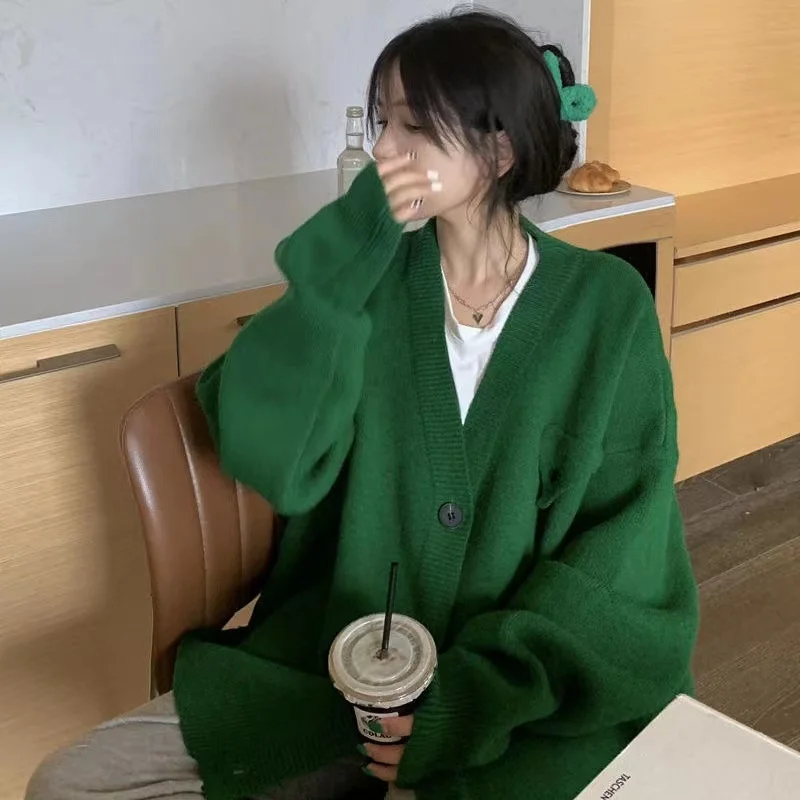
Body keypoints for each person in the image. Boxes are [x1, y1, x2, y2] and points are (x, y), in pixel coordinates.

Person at [27, 10, 698, 800]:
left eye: (414, 125)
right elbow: (269, 453)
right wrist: (352, 245)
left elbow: (620, 554)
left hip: (513, 707)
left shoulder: (606, 309)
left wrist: (469, 702)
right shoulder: (367, 278)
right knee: (68, 783)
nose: (383, 148)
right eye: (384, 121)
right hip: (332, 672)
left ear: (499, 149)